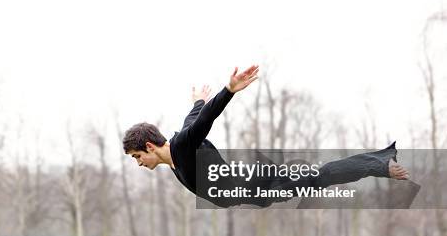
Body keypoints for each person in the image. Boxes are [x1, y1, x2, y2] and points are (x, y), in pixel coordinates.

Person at [122, 65, 411, 208]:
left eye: (137, 156)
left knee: (322, 176)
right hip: (255, 188)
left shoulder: (182, 145)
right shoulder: (180, 147)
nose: (138, 163)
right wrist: (198, 100)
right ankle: (380, 161)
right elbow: (196, 116)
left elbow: (205, 119)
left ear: (149, 146)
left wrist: (229, 91)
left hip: (260, 183)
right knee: (321, 177)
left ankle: (379, 163)